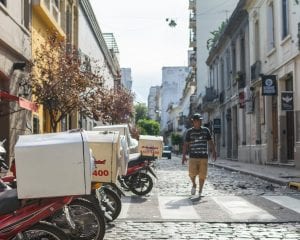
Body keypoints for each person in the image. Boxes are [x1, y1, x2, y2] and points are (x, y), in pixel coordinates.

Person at [182, 113, 216, 196]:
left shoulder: (206, 130)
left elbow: (210, 142)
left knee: (202, 175)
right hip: (193, 157)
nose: (199, 122)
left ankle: (200, 191)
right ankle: (194, 184)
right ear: (193, 122)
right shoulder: (189, 132)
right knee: (191, 174)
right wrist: (183, 156)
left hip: (204, 157)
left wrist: (214, 152)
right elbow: (186, 144)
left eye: (200, 120)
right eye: (197, 121)